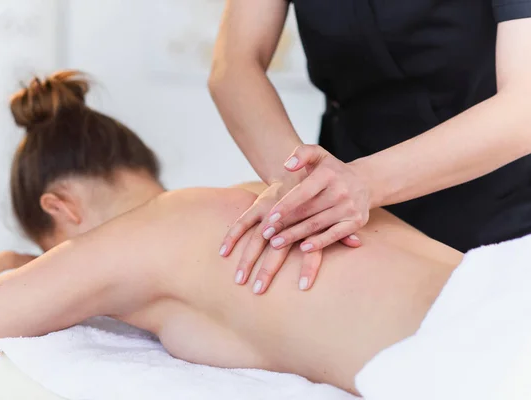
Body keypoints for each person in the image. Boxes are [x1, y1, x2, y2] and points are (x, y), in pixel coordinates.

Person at [0, 71, 464, 396]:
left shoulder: (149, 240)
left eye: (53, 255)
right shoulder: (265, 194)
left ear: (61, 207)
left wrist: (8, 267)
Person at [208, 0, 531, 294]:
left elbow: (523, 107)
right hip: (347, 183)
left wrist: (360, 184)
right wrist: (299, 189)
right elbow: (234, 65)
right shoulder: (330, 192)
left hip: (493, 186)